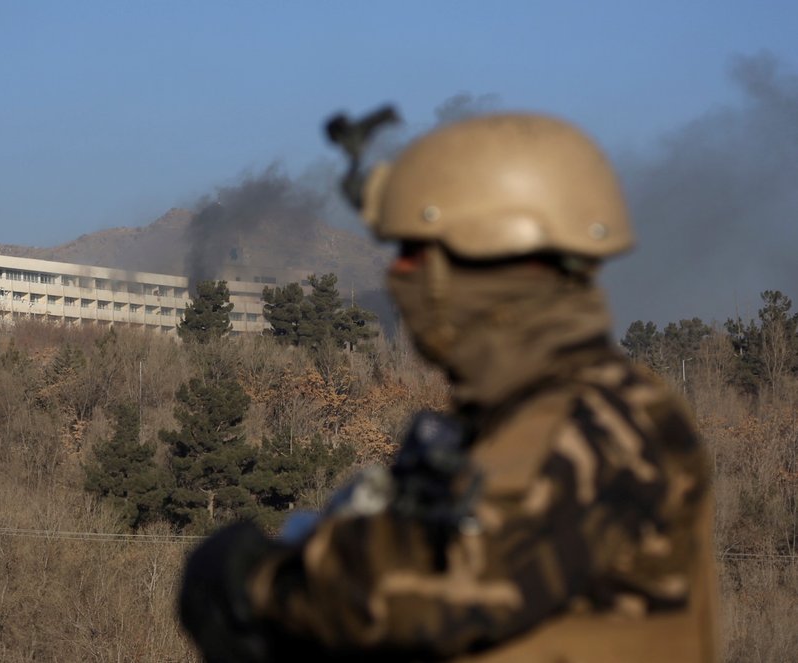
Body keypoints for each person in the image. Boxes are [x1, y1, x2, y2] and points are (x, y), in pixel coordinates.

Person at [179, 112, 718, 662]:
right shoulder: (521, 413)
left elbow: (447, 586)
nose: (400, 275)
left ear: (483, 254)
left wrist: (260, 585)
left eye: (415, 252)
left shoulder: (593, 418)